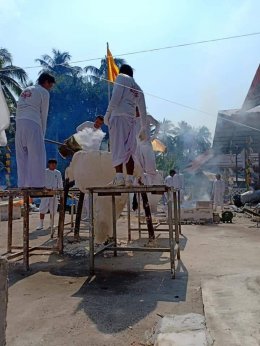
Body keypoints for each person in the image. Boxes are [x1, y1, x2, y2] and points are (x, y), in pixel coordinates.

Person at [104, 64, 147, 186]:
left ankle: (119, 178)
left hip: (118, 117)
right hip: (131, 120)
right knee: (129, 150)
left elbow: (115, 97)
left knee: (117, 147)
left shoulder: (121, 78)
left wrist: (107, 114)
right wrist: (143, 127)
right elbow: (143, 109)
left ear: (121, 72)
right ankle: (129, 178)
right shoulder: (138, 88)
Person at [15, 72, 56, 188]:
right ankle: (38, 184)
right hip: (33, 123)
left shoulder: (26, 90)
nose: (50, 88)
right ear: (46, 82)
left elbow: (19, 108)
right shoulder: (44, 92)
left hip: (19, 124)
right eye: (50, 85)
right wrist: (41, 135)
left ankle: (23, 184)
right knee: (37, 154)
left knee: (22, 156)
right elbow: (44, 114)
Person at [134, 108, 160, 185]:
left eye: (138, 110)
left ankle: (152, 183)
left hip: (146, 144)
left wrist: (154, 136)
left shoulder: (147, 117)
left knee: (150, 165)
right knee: (138, 166)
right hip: (136, 146)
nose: (136, 112)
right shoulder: (132, 119)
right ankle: (139, 183)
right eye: (135, 110)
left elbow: (157, 124)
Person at [37, 159, 63, 230]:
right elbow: (40, 181)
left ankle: (52, 224)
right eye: (52, 164)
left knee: (53, 209)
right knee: (42, 208)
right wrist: (44, 188)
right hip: (45, 192)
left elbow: (60, 182)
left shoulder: (58, 172)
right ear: (49, 164)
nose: (53, 165)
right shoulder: (44, 172)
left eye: (55, 164)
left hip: (54, 193)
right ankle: (41, 225)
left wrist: (60, 190)